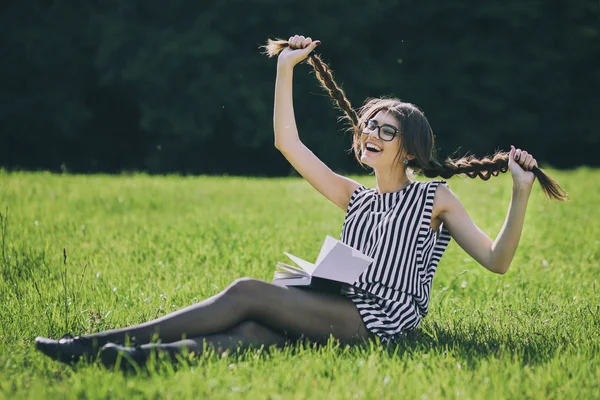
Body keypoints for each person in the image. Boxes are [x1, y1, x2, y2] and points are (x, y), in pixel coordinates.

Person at [35, 35, 567, 369]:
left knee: (247, 292)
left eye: (386, 130)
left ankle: (89, 343)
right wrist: (284, 70)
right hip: (335, 306)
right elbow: (288, 144)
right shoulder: (354, 197)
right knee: (247, 334)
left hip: (377, 321)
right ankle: (135, 359)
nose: (371, 135)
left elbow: (497, 262)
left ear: (409, 147)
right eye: (368, 127)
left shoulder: (435, 198)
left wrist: (520, 193)